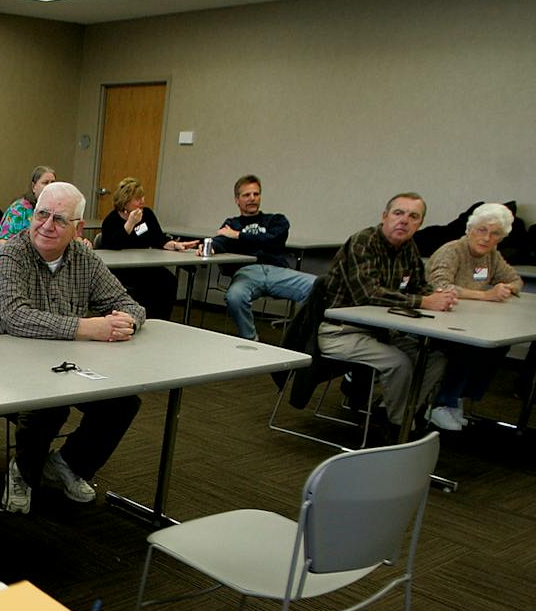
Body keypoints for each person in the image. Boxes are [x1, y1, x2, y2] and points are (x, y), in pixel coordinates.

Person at [0, 181, 142, 514]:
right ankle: (23, 473)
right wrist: (88, 327)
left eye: (59, 219)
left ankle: (68, 464)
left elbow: (126, 302)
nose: (46, 225)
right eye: (42, 214)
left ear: (77, 228)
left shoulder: (83, 257)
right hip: (0, 360)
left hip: (63, 360)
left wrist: (126, 320)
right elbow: (17, 319)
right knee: (51, 403)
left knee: (122, 402)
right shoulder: (11, 253)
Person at [317, 192, 456, 436]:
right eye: (398, 213)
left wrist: (440, 296)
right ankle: (398, 428)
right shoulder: (363, 242)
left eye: (413, 216)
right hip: (342, 331)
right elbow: (367, 294)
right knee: (399, 364)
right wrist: (425, 301)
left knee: (436, 359)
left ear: (419, 224)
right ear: (385, 216)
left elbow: (419, 285)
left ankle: (390, 414)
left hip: (383, 331)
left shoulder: (409, 248)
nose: (404, 221)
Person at [423, 202, 524, 431]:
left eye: (495, 233)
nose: (487, 238)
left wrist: (505, 289)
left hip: (470, 319)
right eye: (482, 230)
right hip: (440, 321)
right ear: (470, 230)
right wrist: (485, 295)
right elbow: (439, 286)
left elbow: (516, 280)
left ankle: (458, 398)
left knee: (499, 345)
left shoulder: (492, 256)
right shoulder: (452, 251)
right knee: (467, 347)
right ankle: (440, 404)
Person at [209, 174, 316, 339]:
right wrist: (210, 247)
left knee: (320, 287)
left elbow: (274, 240)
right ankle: (251, 341)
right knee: (234, 297)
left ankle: (300, 341)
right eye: (246, 195)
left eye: (256, 194)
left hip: (277, 271)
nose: (252, 198)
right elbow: (221, 241)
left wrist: (238, 236)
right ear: (237, 200)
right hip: (247, 272)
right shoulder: (232, 223)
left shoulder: (276, 220)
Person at [96, 176, 198, 322]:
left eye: (142, 197)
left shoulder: (147, 215)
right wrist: (130, 223)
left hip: (143, 265)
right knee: (144, 288)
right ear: (125, 201)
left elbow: (158, 239)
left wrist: (175, 245)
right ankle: (140, 319)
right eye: (138, 199)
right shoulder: (111, 220)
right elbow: (114, 244)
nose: (142, 202)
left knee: (168, 281)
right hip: (121, 269)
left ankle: (161, 321)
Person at [0, 165, 55, 279]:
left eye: (52, 183)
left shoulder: (52, 210)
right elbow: (5, 244)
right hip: (6, 264)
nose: (50, 187)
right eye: (45, 183)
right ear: (34, 186)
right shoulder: (19, 209)